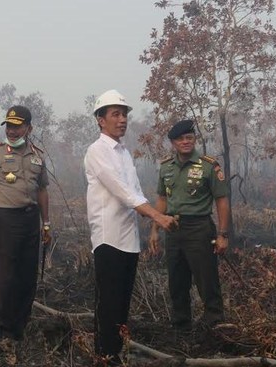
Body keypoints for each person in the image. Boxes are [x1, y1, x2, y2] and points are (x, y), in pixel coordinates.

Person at [84, 90, 177, 365]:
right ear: (101, 120)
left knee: (123, 300)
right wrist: (158, 218)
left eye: (124, 114)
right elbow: (123, 192)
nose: (122, 119)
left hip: (128, 238)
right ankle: (104, 355)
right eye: (115, 114)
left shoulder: (124, 153)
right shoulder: (97, 151)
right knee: (108, 302)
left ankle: (117, 350)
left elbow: (136, 192)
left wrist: (152, 223)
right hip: (108, 238)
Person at [0, 105, 52, 344]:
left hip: (31, 222)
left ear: (29, 128)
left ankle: (19, 327)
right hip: (5, 221)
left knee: (27, 277)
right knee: (6, 277)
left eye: (17, 126)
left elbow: (42, 191)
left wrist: (46, 224)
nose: (12, 130)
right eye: (9, 125)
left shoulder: (38, 155)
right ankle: (1, 329)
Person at [148, 119, 230, 332]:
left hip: (199, 229)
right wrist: (155, 230)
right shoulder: (166, 167)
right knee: (177, 281)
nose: (185, 142)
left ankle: (216, 324)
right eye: (180, 139)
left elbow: (221, 200)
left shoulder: (208, 165)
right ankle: (181, 326)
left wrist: (223, 234)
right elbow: (162, 200)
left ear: (194, 140)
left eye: (189, 138)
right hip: (172, 229)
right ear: (173, 143)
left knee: (207, 279)